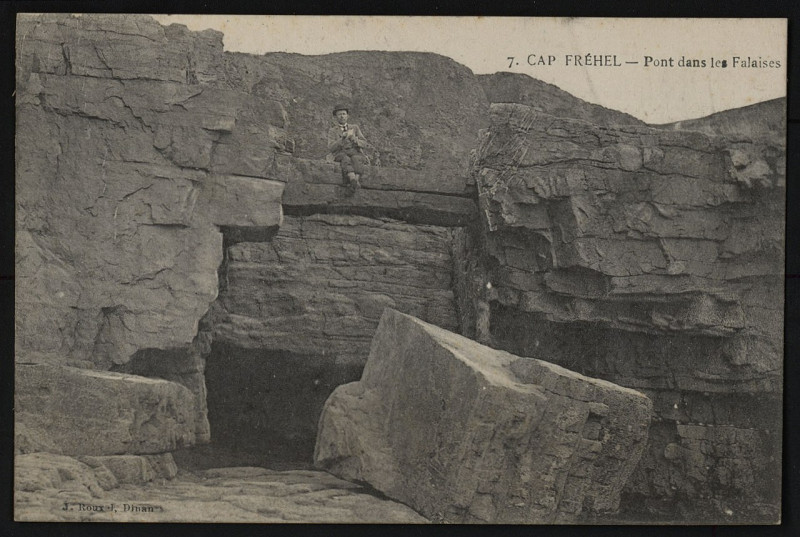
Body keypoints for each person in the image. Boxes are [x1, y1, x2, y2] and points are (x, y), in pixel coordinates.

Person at [327, 104, 368, 192]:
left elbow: (364, 143)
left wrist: (355, 140)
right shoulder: (332, 131)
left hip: (354, 152)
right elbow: (330, 147)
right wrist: (341, 139)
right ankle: (353, 180)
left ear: (347, 116)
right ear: (335, 117)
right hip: (340, 153)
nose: (342, 116)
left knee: (356, 158)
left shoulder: (355, 128)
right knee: (345, 159)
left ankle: (354, 182)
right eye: (339, 114)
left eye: (344, 114)